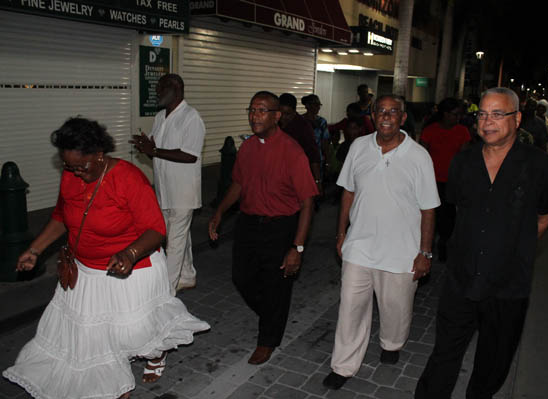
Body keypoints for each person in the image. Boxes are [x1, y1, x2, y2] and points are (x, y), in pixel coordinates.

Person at [3, 118, 210, 399]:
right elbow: (62, 217)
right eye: (69, 166)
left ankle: (155, 355)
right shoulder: (72, 175)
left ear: (99, 154)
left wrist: (130, 253)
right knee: (94, 336)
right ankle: (111, 385)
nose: (76, 172)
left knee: (137, 329)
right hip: (85, 272)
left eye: (82, 166)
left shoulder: (127, 178)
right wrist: (35, 249)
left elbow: (156, 229)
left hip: (132, 270)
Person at [415, 88, 548, 399]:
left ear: (517, 118)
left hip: (508, 284)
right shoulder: (463, 161)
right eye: (482, 114)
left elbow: (547, 213)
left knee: (493, 361)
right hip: (461, 278)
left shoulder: (539, 166)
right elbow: (458, 210)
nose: (487, 121)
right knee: (444, 353)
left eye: (498, 114)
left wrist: (515, 245)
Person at [322, 95, 440, 390]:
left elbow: (428, 208)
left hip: (402, 251)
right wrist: (341, 233)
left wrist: (425, 252)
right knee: (350, 307)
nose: (386, 116)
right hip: (360, 246)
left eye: (393, 112)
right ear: (372, 116)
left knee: (395, 308)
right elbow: (348, 191)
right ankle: (344, 365)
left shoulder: (418, 156)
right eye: (381, 111)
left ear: (402, 118)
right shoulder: (359, 147)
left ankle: (391, 343)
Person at [208, 91, 318, 366]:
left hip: (280, 227)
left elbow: (307, 203)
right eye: (252, 110)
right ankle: (273, 314)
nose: (254, 115)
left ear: (276, 116)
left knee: (275, 286)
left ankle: (267, 339)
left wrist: (297, 248)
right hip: (248, 224)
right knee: (241, 278)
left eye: (261, 110)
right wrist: (219, 212)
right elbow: (238, 184)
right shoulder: (248, 147)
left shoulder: (292, 151)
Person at [132, 73, 205, 296]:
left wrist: (154, 151)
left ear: (176, 88)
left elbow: (190, 155)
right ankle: (187, 276)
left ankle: (166, 291)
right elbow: (156, 146)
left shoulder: (192, 117)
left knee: (173, 241)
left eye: (161, 89)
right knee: (180, 235)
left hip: (183, 192)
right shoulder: (161, 116)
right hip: (164, 189)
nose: (157, 93)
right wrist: (147, 144)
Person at [420, 97, 471, 262]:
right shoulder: (430, 131)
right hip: (431, 183)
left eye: (459, 115)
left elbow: (464, 159)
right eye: (454, 114)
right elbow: (420, 157)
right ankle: (424, 249)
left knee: (447, 222)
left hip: (451, 183)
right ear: (444, 114)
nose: (457, 119)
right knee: (428, 217)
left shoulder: (462, 132)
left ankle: (444, 252)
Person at [278, 93, 322, 195]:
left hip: (299, 173)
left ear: (294, 111)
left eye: (287, 114)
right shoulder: (274, 122)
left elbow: (313, 154)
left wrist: (317, 181)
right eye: (281, 113)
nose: (283, 117)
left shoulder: (303, 126)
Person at [302, 94, 330, 181]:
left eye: (319, 105)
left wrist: (327, 162)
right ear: (307, 106)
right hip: (303, 159)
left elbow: (325, 142)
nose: (318, 107)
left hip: (318, 159)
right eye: (315, 104)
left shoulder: (322, 122)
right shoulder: (300, 121)